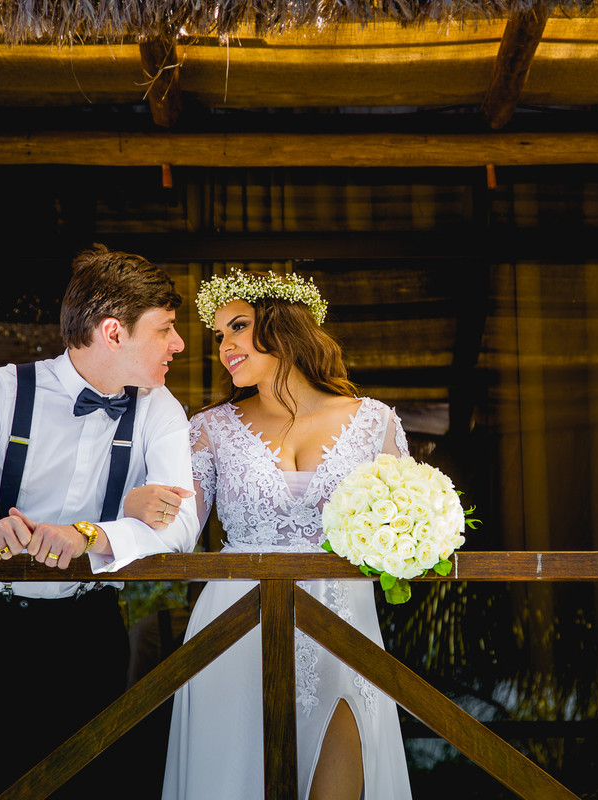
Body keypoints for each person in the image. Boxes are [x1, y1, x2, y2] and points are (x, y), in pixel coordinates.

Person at [0, 244, 199, 798]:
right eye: (166, 328)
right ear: (114, 332)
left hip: (86, 630)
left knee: (82, 783)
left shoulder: (159, 407)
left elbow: (182, 523)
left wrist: (89, 535)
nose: (179, 343)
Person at [128, 270, 412, 800]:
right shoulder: (209, 428)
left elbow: (405, 522)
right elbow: (176, 530)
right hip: (236, 619)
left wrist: (422, 533)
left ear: (285, 327)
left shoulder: (376, 422)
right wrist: (132, 505)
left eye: (237, 326)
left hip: (343, 618)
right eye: (218, 336)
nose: (225, 346)